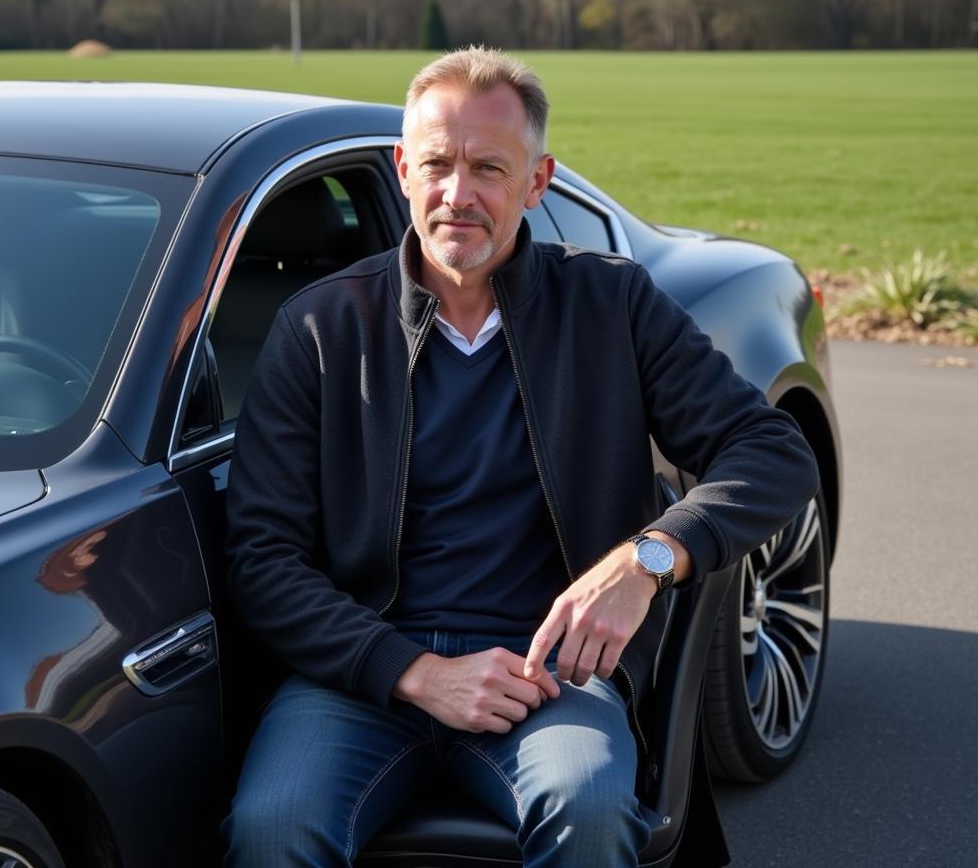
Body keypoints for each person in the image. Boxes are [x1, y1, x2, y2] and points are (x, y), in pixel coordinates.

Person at [223, 46, 819, 867]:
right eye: (436, 164)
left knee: (593, 806)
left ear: (537, 182)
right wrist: (415, 672)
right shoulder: (319, 329)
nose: (456, 195)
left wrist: (645, 561)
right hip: (360, 674)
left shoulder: (614, 305)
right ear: (403, 169)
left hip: (550, 674)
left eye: (488, 169)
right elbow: (261, 557)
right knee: (271, 827)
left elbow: (775, 453)